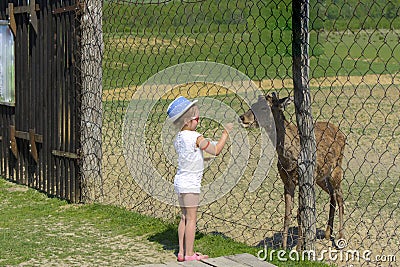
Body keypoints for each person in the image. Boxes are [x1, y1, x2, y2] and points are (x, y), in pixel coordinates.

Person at [167, 96, 233, 262]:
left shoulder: (179, 138)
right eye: (197, 118)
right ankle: (189, 254)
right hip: (191, 184)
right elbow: (216, 149)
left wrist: (203, 159)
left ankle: (181, 252)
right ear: (188, 120)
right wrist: (225, 133)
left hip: (180, 182)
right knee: (192, 219)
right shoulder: (196, 137)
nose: (198, 121)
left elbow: (190, 156)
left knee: (184, 217)